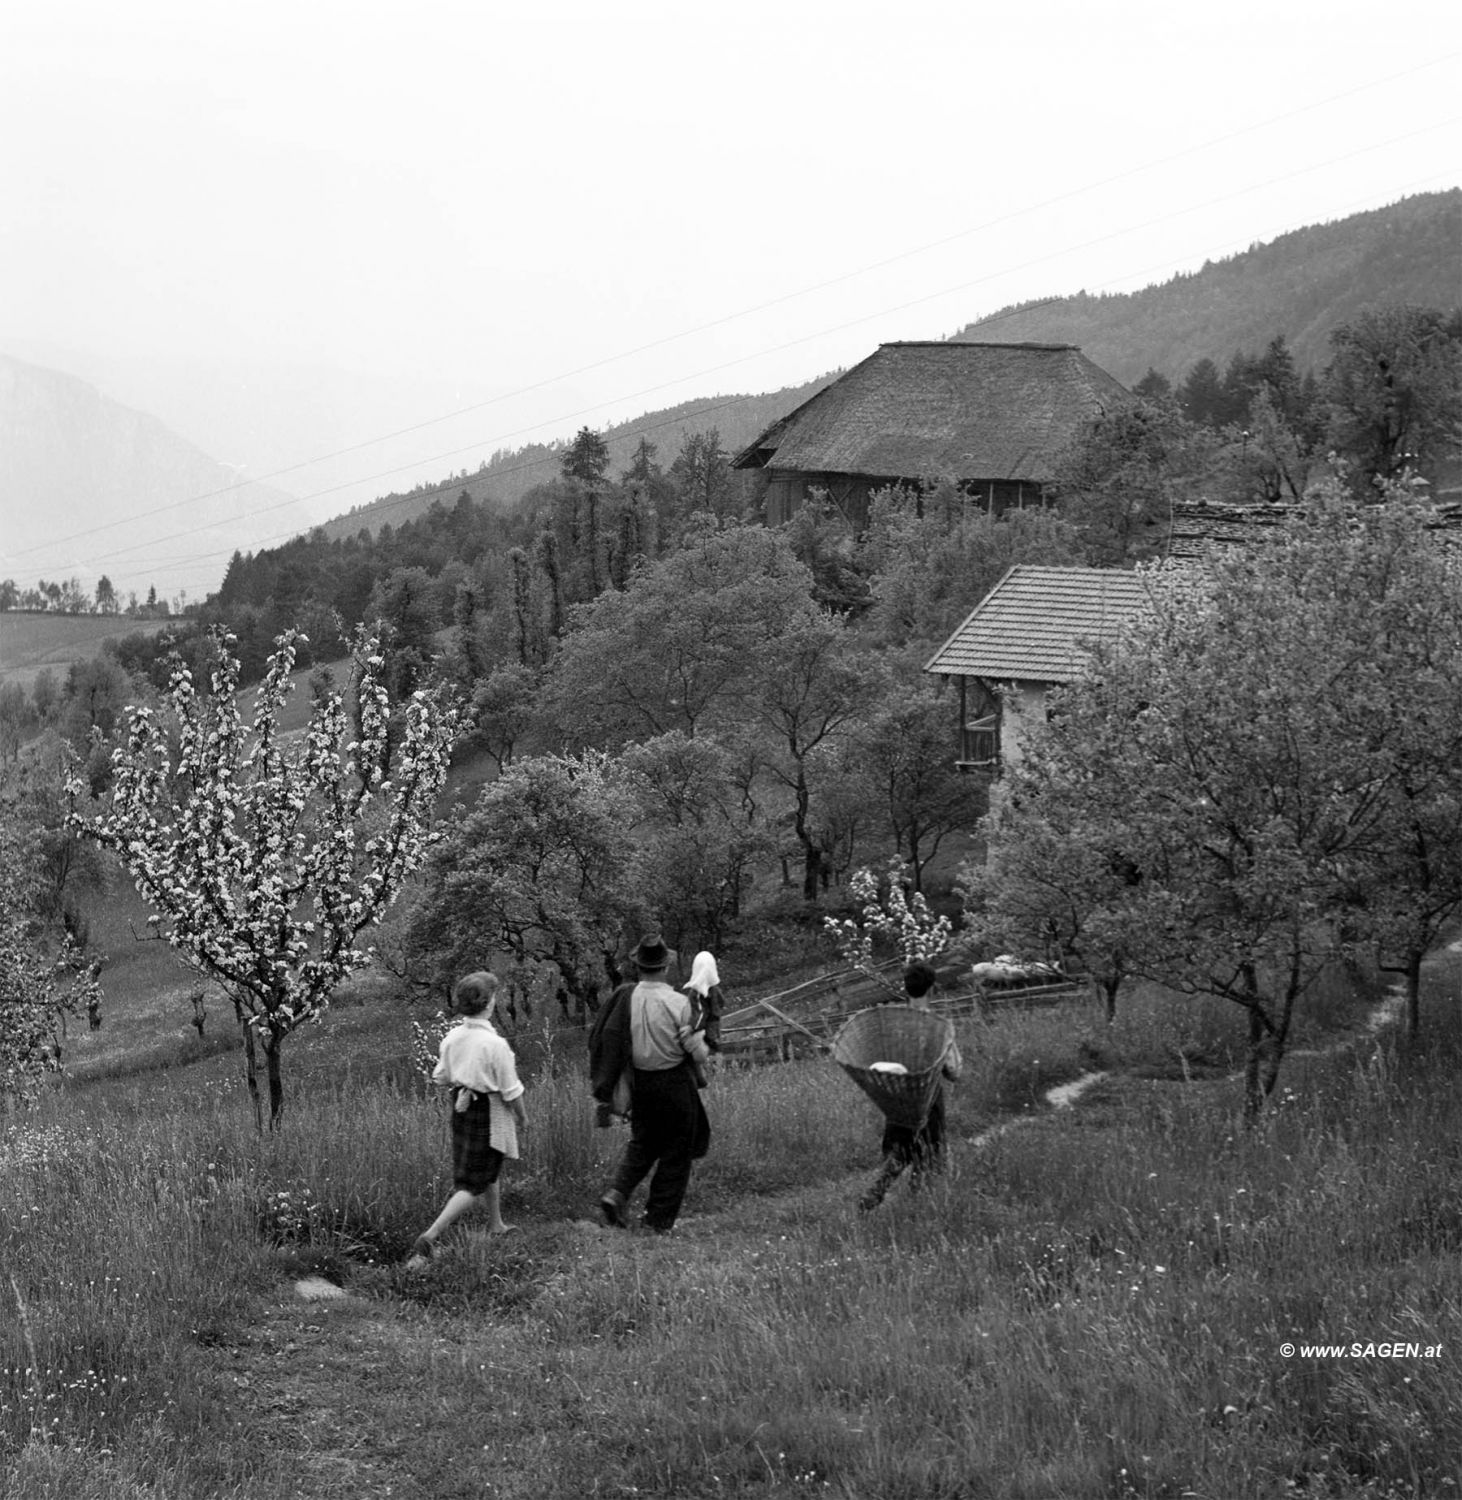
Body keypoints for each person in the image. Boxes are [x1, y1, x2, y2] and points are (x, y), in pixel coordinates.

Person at [407, 971, 527, 1266]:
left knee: (488, 1167)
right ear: (489, 1004)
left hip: (461, 1107)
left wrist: (465, 1078)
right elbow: (511, 1091)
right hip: (488, 1109)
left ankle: (496, 1224)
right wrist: (523, 1117)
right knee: (472, 1184)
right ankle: (430, 1235)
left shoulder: (452, 1037)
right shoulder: (494, 1044)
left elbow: (440, 1076)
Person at [596, 934, 711, 1234]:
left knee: (643, 1143)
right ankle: (657, 1221)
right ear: (666, 966)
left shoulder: (625, 1000)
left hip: (641, 1084)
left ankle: (617, 1193)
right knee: (676, 1152)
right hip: (674, 1084)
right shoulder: (679, 1003)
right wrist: (697, 1045)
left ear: (638, 966)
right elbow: (698, 1054)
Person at [859, 960, 961, 1213]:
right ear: (932, 989)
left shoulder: (893, 1025)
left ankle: (876, 1192)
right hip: (928, 1100)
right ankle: (919, 1209)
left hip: (898, 1099)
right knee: (930, 1156)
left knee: (902, 1152)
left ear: (906, 989)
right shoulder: (938, 1028)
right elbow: (955, 1072)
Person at [682, 950, 725, 1054]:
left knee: (704, 1053)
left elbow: (700, 1013)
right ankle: (718, 1064)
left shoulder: (697, 992)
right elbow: (722, 1002)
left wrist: (691, 1027)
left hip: (703, 1031)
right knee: (716, 1049)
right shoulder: (716, 989)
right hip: (716, 1026)